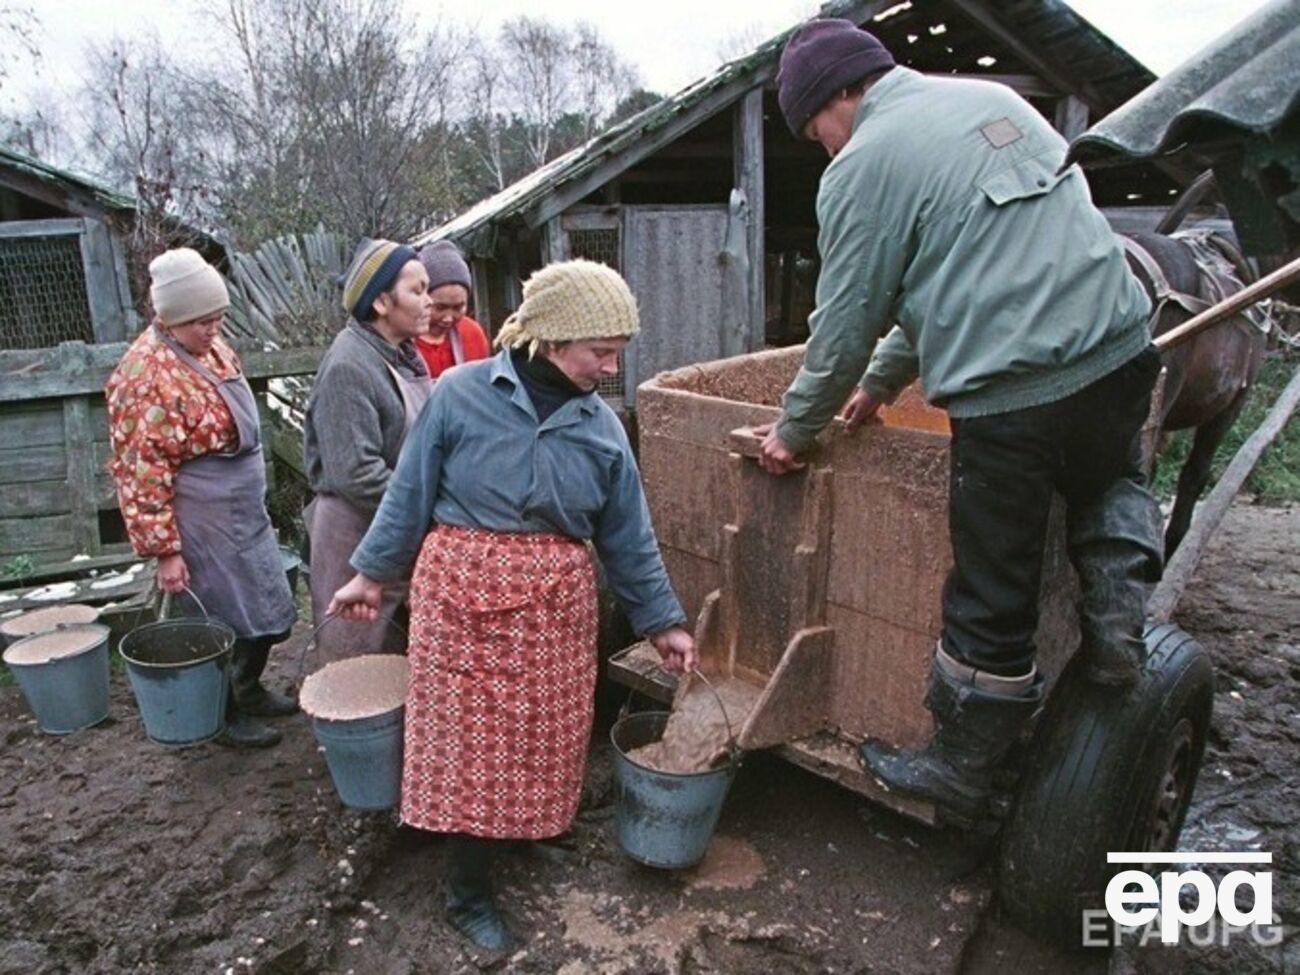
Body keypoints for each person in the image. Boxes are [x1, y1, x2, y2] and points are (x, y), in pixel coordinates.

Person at [759, 20, 1164, 825]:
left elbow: (841, 328)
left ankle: (963, 767)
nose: (825, 150)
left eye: (816, 131)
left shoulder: (864, 166)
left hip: (1015, 396)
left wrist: (792, 430)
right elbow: (951, 274)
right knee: (1109, 476)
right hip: (1121, 350)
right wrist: (881, 385)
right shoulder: (990, 101)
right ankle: (1119, 624)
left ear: (841, 93)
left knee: (990, 587)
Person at [327, 259, 697, 951]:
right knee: (471, 749)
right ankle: (467, 892)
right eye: (601, 351)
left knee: (544, 736)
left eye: (617, 351)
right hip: (461, 600)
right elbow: (408, 491)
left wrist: (663, 622)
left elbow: (628, 537)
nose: (610, 367)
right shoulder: (459, 394)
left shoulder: (603, 428)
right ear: (554, 338)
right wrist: (370, 576)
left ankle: (524, 832)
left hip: (553, 611)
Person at [106, 248, 298, 748]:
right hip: (199, 521)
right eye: (200, 322)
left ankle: (248, 687)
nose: (212, 330)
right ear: (168, 319)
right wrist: (166, 551)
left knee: (262, 605)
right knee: (217, 617)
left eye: (218, 319)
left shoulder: (211, 347)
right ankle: (222, 717)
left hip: (241, 514)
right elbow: (140, 473)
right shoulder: (142, 376)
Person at [303, 239, 434, 662]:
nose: (428, 302)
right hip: (354, 531)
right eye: (418, 290)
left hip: (392, 523)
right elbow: (356, 474)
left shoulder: (402, 356)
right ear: (380, 301)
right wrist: (425, 507)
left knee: (393, 650)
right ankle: (349, 728)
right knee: (355, 655)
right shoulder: (349, 366)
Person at [413, 240, 491, 379]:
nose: (448, 318)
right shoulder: (403, 336)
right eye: (440, 307)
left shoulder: (472, 334)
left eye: (458, 307)